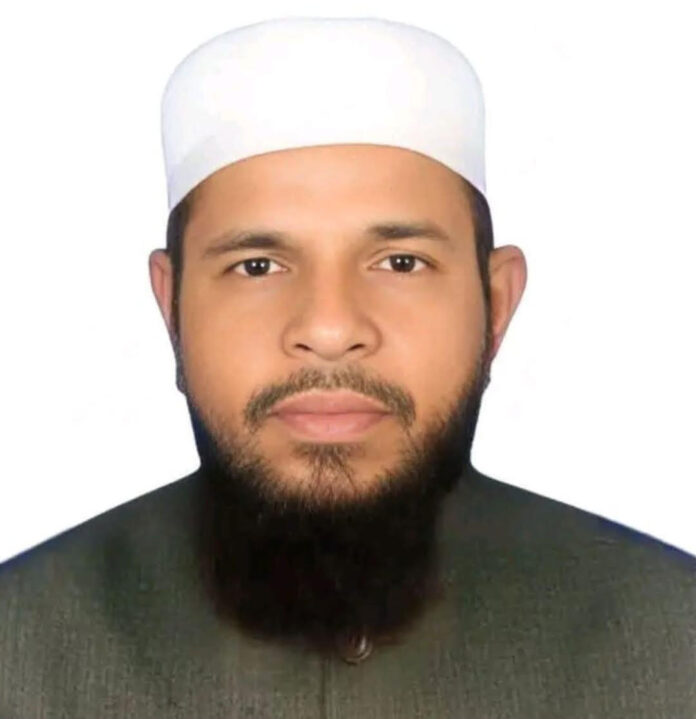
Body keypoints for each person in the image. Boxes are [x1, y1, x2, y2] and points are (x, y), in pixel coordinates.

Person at [1, 16, 694, 719]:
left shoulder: (673, 637)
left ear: (496, 304)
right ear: (171, 306)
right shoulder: (21, 642)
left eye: (401, 263)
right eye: (257, 266)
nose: (329, 331)